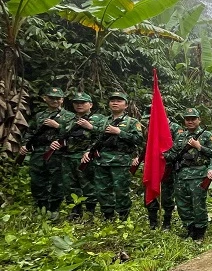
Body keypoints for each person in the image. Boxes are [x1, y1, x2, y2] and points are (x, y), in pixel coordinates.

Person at [81, 91, 143, 222]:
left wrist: (120, 132)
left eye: (119, 101)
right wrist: (88, 151)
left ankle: (123, 217)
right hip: (101, 160)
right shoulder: (103, 121)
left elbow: (138, 139)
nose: (115, 103)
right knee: (102, 190)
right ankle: (107, 215)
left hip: (120, 161)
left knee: (121, 190)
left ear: (126, 105)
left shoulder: (131, 122)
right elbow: (95, 139)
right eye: (112, 100)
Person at [20, 87, 74, 218]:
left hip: (57, 153)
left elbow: (73, 135)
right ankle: (41, 207)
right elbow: (30, 132)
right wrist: (25, 145)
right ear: (45, 98)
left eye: (58, 98)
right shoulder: (39, 116)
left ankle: (54, 208)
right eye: (51, 98)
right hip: (38, 152)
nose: (55, 101)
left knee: (57, 181)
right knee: (37, 180)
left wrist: (58, 126)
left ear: (62, 100)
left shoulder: (69, 116)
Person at [166, 108, 212, 241]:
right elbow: (173, 153)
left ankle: (200, 231)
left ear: (199, 120)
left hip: (198, 174)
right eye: (187, 119)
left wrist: (199, 146)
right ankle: (190, 229)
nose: (190, 121)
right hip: (182, 175)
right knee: (183, 204)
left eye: (193, 119)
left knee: (198, 204)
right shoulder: (180, 136)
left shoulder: (206, 135)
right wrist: (162, 155)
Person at [49, 92, 101, 220]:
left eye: (83, 102)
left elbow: (102, 137)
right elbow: (63, 135)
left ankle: (90, 213)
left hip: (85, 157)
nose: (79, 105)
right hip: (67, 157)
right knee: (70, 186)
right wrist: (58, 143)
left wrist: (91, 127)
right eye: (76, 103)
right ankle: (75, 212)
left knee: (88, 185)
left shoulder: (98, 119)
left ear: (90, 104)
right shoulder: (68, 119)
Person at [137, 106, 183, 230]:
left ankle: (166, 222)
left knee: (167, 195)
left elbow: (179, 147)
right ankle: (153, 222)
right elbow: (147, 146)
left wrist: (166, 155)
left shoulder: (175, 128)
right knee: (149, 191)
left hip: (167, 166)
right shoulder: (149, 128)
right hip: (152, 165)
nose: (150, 120)